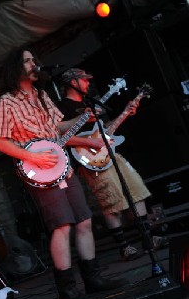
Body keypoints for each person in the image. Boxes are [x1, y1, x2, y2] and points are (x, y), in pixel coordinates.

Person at [0, 47, 127, 299]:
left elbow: (58, 128)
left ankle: (93, 278)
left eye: (34, 59)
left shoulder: (42, 95)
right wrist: (33, 157)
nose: (34, 63)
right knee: (62, 226)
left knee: (85, 220)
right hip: (39, 171)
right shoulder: (6, 102)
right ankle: (68, 290)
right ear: (15, 68)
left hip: (63, 165)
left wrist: (84, 117)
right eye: (28, 60)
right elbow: (0, 142)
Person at [57, 68, 164, 262]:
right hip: (89, 160)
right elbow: (60, 137)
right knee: (111, 201)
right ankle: (124, 248)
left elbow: (105, 130)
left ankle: (148, 239)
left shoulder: (92, 103)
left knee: (136, 189)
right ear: (73, 82)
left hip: (109, 152)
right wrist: (90, 143)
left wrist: (125, 113)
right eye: (84, 79)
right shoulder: (62, 107)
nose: (88, 83)